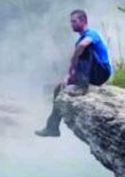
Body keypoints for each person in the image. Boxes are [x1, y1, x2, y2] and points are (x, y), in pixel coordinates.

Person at [35, 9, 113, 137]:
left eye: (74, 21)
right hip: (89, 73)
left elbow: (83, 46)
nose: (71, 24)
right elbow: (78, 62)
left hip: (102, 73)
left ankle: (82, 87)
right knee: (58, 89)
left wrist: (75, 62)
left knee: (83, 49)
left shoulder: (92, 34)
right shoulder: (80, 40)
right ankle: (52, 128)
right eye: (71, 22)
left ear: (83, 21)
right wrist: (68, 76)